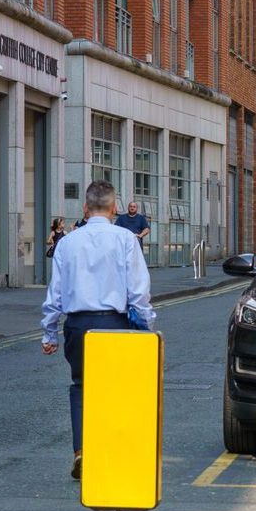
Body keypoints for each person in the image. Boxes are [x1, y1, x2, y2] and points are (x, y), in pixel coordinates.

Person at [41, 180, 155, 480]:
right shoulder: (126, 239)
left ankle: (82, 451)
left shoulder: (67, 243)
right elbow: (138, 292)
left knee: (81, 386)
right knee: (116, 389)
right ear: (115, 208)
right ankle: (112, 450)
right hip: (115, 323)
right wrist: (147, 325)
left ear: (84, 208)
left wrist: (50, 333)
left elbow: (56, 293)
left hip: (78, 325)